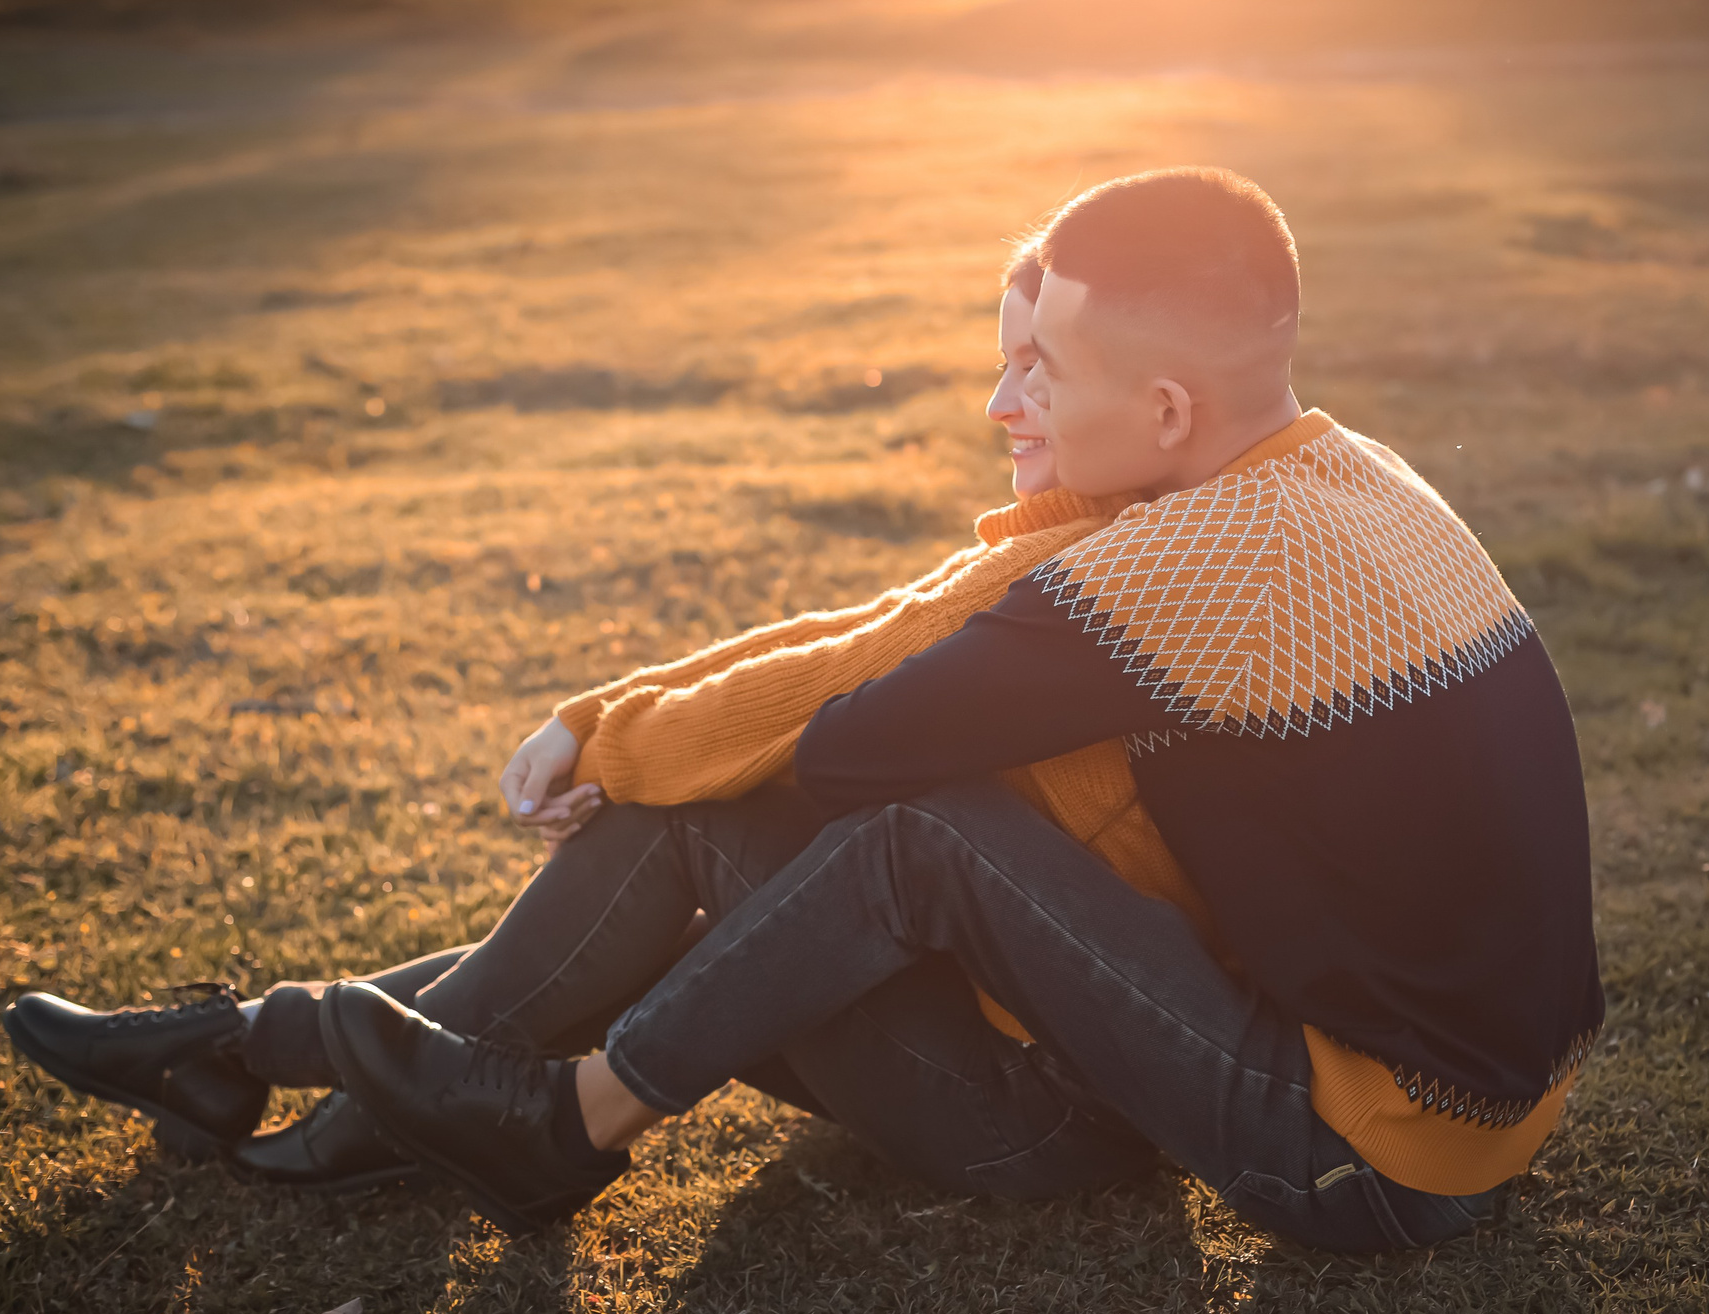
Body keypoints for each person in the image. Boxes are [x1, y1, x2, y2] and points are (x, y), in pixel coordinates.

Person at [302, 168, 1604, 1253]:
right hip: (1504, 1107)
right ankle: (357, 1060)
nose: (1004, 399)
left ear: (1163, 410)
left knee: (916, 826)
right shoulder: (1359, 473)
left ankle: (560, 1119)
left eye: (1049, 368)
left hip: (1371, 1156)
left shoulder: (1186, 563)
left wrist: (634, 735)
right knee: (881, 826)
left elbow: (859, 741)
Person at [0, 250, 1151, 1190]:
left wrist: (607, 748)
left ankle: (311, 1084)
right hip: (984, 1043)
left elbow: (836, 674)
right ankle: (265, 1059)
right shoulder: (1081, 532)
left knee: (686, 821)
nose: (1000, 403)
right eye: (1004, 363)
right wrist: (599, 714)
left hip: (1033, 1115)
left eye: (1036, 370)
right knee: (682, 852)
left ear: (1135, 384)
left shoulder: (1085, 566)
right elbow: (855, 627)